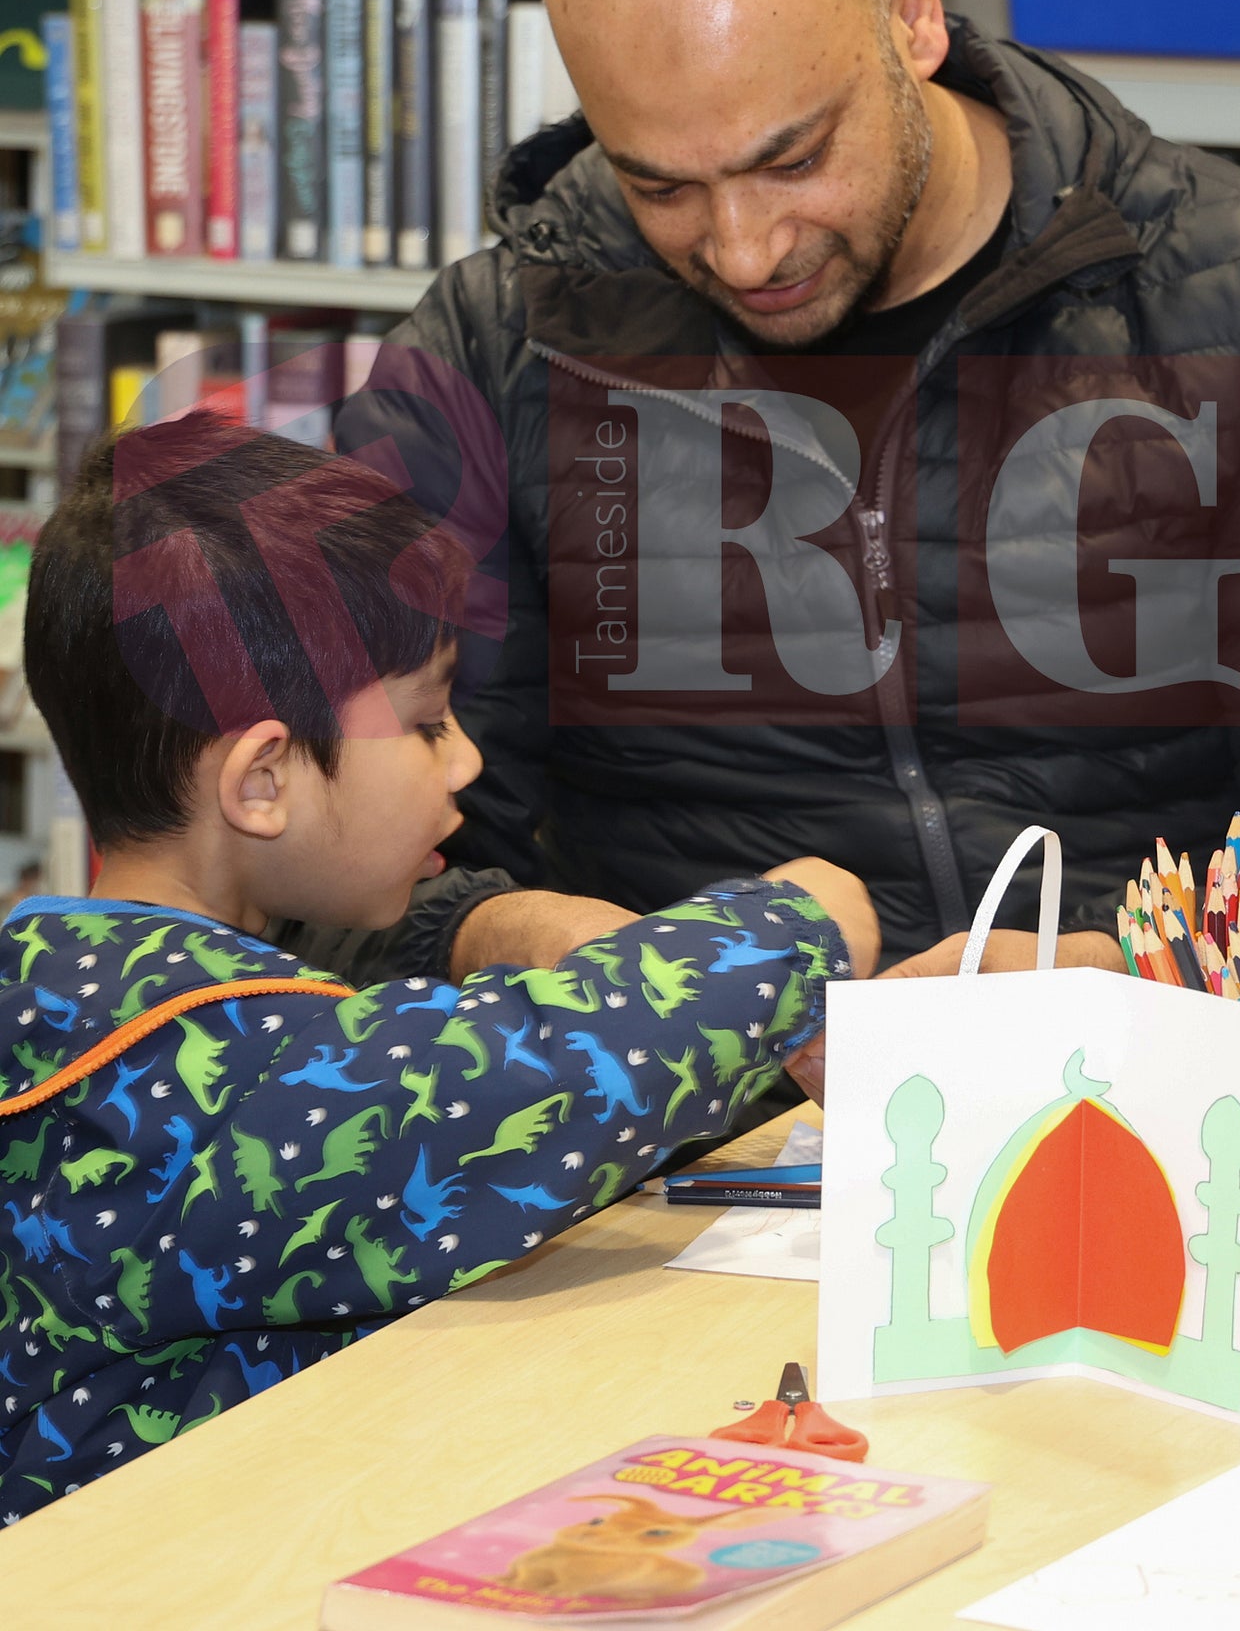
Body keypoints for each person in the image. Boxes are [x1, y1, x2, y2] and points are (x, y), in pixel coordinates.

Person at [332, 0, 1240, 1068]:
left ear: (912, 10)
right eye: (662, 185)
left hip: (1139, 1134)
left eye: (792, 157)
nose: (744, 248)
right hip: (672, 1170)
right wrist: (510, 937)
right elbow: (304, 864)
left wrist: (1130, 977)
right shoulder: (495, 355)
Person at [0, 413, 875, 1520]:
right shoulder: (172, 1055)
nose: (464, 758)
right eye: (425, 722)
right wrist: (801, 921)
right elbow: (509, 1084)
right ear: (260, 779)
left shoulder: (71, 979)